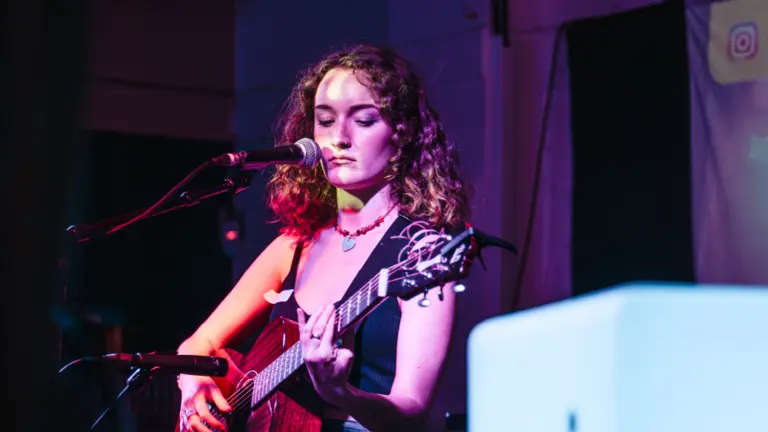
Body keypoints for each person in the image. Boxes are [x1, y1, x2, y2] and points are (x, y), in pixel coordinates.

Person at [176, 42, 471, 432]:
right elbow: (196, 346)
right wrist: (192, 381)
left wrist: (340, 393)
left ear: (402, 131)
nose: (340, 138)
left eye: (364, 120)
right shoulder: (293, 247)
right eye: (326, 120)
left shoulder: (421, 255)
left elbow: (411, 412)